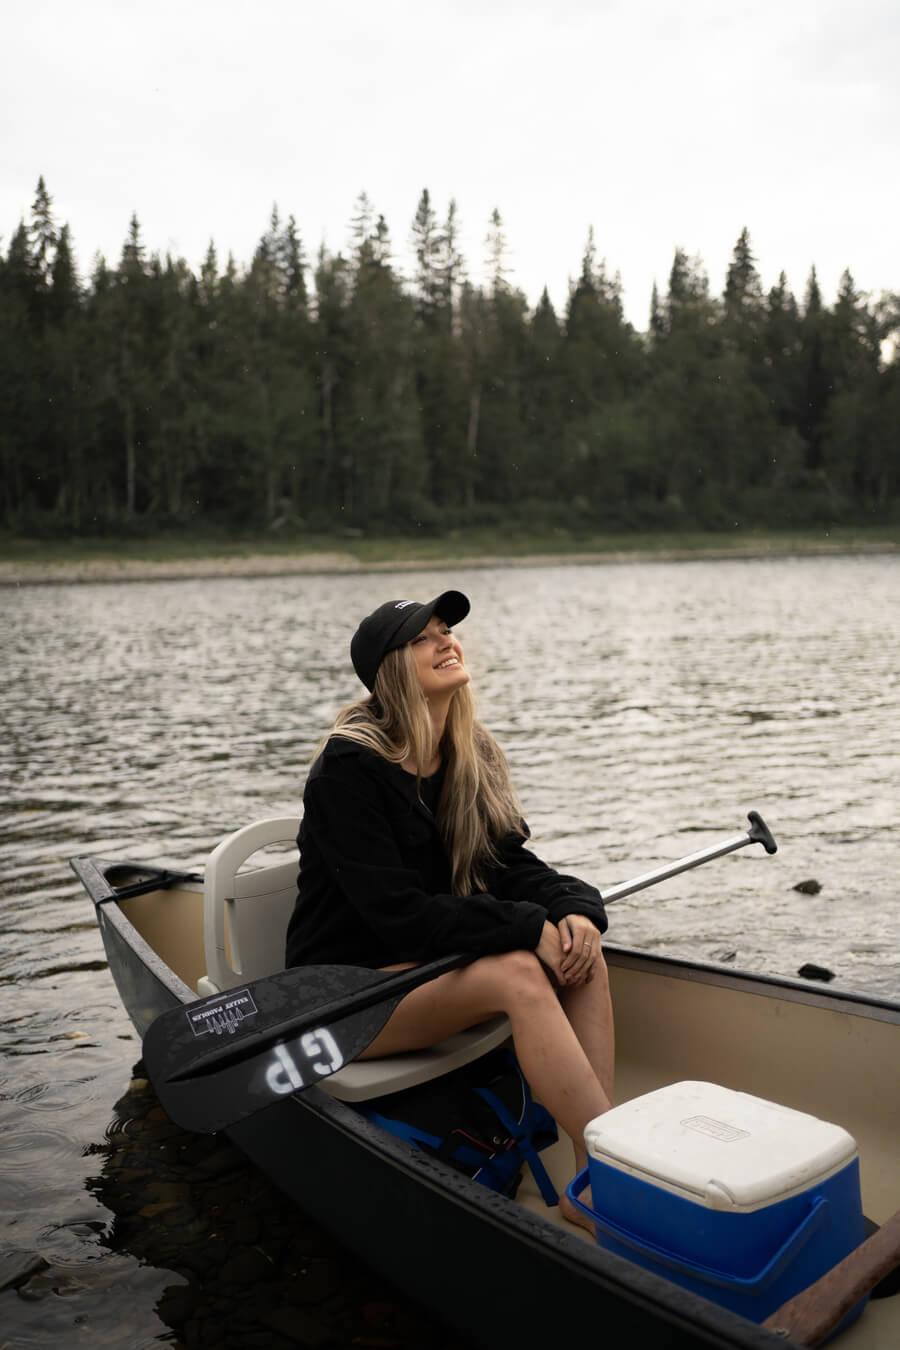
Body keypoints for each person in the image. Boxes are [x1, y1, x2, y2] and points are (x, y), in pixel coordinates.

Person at [285, 589, 613, 1229]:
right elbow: (397, 916)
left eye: (446, 630)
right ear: (390, 669)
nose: (445, 641)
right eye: (422, 637)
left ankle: (595, 1180)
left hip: (427, 972)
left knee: (582, 953)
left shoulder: (468, 752)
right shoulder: (346, 772)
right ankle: (626, 1174)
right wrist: (523, 927)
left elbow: (509, 864)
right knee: (519, 969)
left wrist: (574, 910)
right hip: (346, 994)